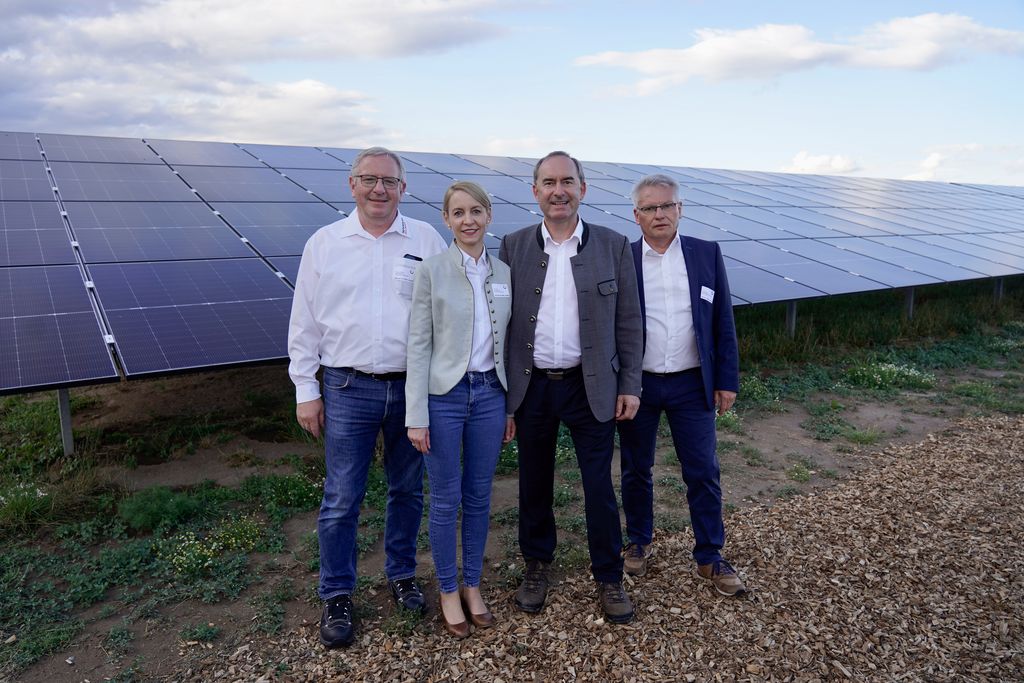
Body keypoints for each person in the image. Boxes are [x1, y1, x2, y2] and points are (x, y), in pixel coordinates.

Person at [288, 146, 446, 649]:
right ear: (351, 184)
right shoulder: (325, 243)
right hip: (347, 386)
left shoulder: (425, 237)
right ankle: (337, 592)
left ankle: (401, 575)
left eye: (390, 181)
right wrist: (306, 389)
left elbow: (446, 309)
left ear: (404, 188)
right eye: (369, 179)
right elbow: (305, 319)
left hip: (411, 386)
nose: (380, 189)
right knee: (341, 497)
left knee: (408, 490)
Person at [499, 151, 643, 624]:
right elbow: (497, 324)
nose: (558, 190)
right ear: (535, 190)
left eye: (567, 181)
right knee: (533, 483)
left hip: (592, 386)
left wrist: (631, 384)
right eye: (548, 182)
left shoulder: (613, 245)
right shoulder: (513, 246)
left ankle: (609, 575)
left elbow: (629, 323)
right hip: (532, 386)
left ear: (583, 188)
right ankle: (537, 566)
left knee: (599, 486)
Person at [616, 173, 745, 596]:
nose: (660, 214)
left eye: (667, 206)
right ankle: (638, 540)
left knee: (703, 470)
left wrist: (726, 379)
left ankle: (710, 555)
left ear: (680, 209)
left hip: (693, 384)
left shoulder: (706, 254)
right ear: (636, 216)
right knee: (637, 468)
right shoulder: (624, 258)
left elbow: (722, 319)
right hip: (640, 385)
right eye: (650, 208)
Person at [405, 181, 515, 638]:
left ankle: (473, 585)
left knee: (479, 497)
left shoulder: (506, 272)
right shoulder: (431, 270)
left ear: (489, 216)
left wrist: (510, 406)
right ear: (446, 220)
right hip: (444, 398)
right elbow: (418, 342)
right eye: (457, 213)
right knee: (446, 500)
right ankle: (448, 589)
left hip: (491, 395)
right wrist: (416, 413)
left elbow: (509, 344)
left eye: (476, 210)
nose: (468, 220)